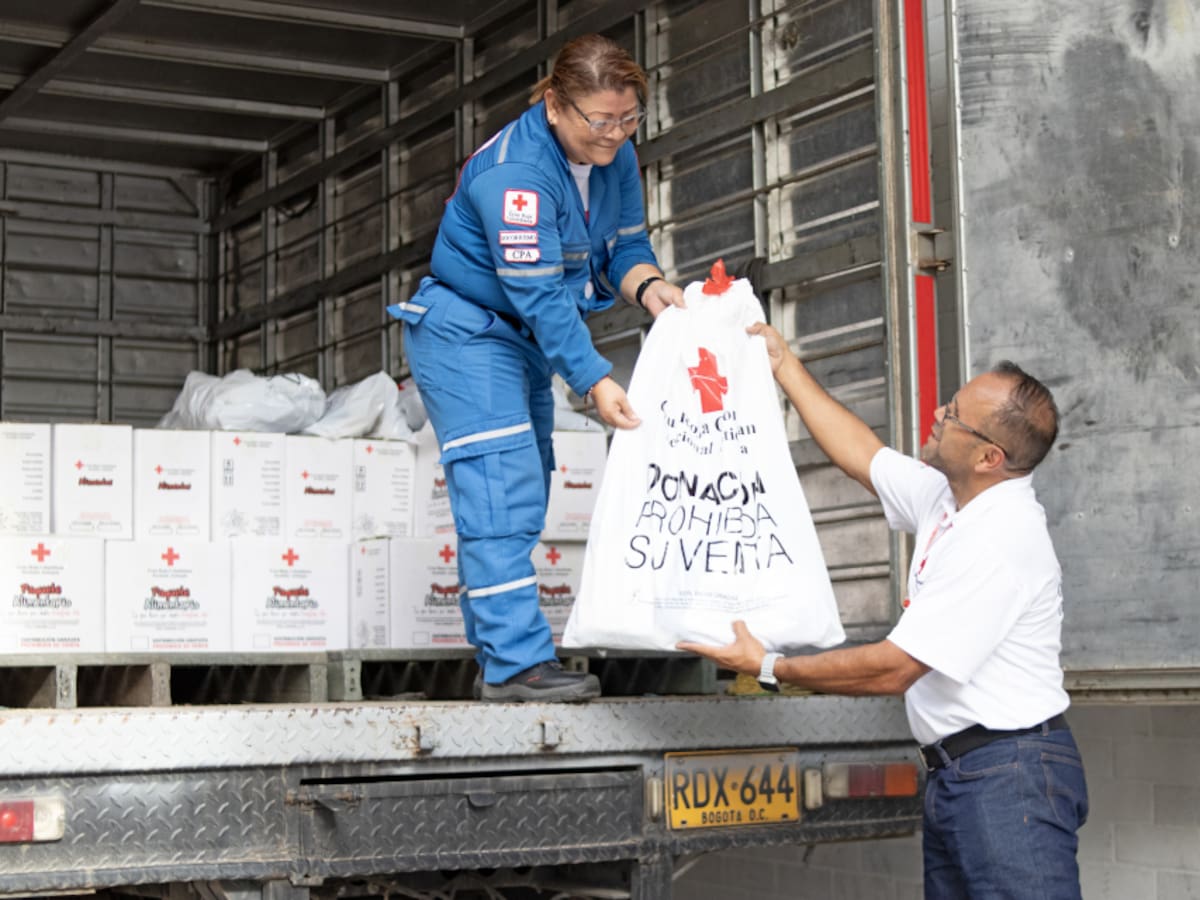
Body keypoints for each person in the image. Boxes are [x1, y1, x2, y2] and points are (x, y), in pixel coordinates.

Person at [678, 323, 1089, 898]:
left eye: (954, 416)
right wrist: (784, 365)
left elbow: (894, 668)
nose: (940, 414)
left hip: (1008, 777)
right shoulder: (952, 498)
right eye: (951, 401)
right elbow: (863, 455)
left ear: (990, 456)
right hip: (965, 774)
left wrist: (769, 666)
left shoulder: (998, 538)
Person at [388, 34, 684, 703]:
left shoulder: (616, 155)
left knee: (526, 489)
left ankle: (502, 656)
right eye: (598, 120)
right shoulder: (514, 176)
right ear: (554, 105)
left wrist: (650, 288)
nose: (613, 135)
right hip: (467, 333)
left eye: (628, 117)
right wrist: (595, 377)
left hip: (519, 339)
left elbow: (626, 245)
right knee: (502, 490)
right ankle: (516, 666)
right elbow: (539, 292)